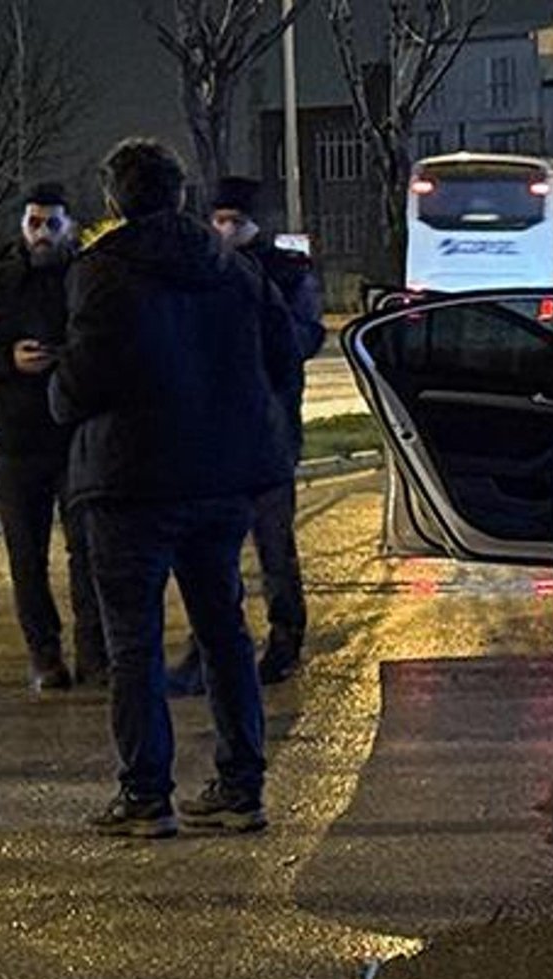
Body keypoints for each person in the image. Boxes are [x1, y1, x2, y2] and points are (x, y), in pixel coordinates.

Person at [50, 139, 299, 838]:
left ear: (114, 201)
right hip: (220, 479)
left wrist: (59, 394)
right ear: (182, 196)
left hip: (129, 481)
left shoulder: (102, 271)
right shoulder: (233, 269)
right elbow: (282, 353)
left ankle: (146, 794)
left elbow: (84, 377)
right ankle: (241, 784)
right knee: (223, 630)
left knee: (134, 643)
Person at [167, 177, 325, 696]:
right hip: (212, 431)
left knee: (273, 543)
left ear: (258, 224)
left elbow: (302, 338)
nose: (226, 230)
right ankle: (204, 647)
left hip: (270, 430)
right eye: (219, 220)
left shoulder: (285, 273)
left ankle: (284, 640)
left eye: (237, 221)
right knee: (211, 549)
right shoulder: (199, 272)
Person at [0, 182, 106, 693]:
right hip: (16, 440)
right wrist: (7, 361)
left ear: (71, 228)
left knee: (87, 552)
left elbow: (103, 341)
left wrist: (65, 357)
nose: (41, 233)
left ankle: (95, 653)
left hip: (74, 436)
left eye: (51, 224)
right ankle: (45, 654)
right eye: (33, 223)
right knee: (27, 555)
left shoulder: (86, 281)